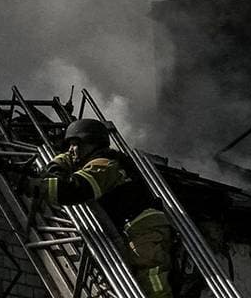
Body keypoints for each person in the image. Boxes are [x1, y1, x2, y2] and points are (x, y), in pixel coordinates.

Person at [36, 118, 178, 298]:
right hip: (137, 228)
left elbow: (74, 190)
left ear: (92, 143)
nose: (71, 150)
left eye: (76, 144)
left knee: (151, 278)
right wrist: (62, 162)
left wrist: (42, 180)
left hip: (142, 229)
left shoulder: (105, 164)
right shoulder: (105, 161)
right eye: (69, 145)